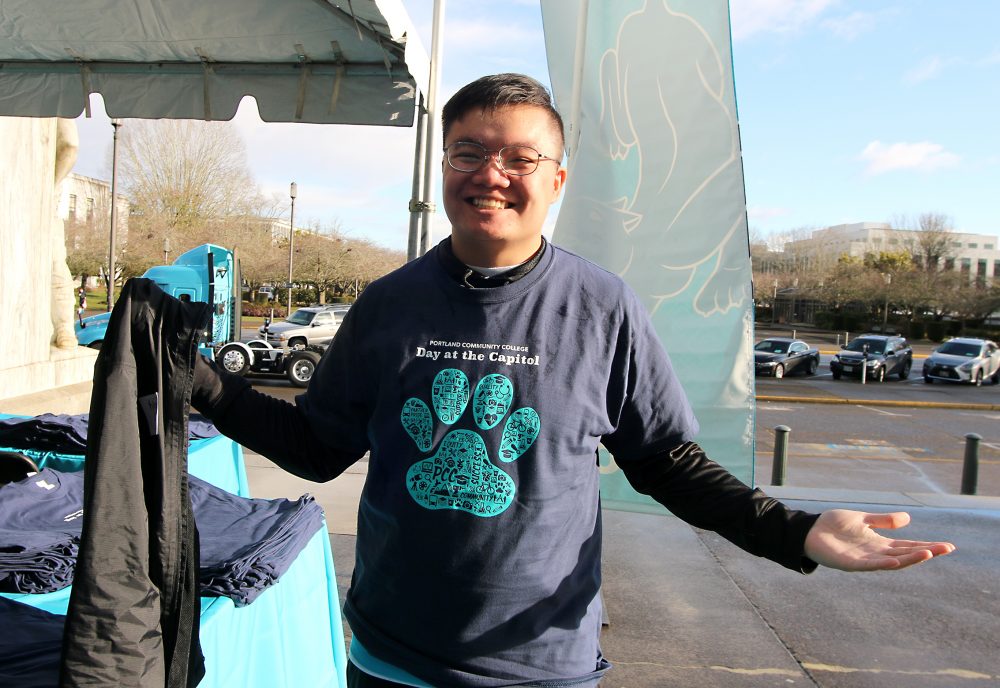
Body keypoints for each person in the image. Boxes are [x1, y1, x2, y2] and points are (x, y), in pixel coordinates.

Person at [191, 73, 954, 688]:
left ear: (556, 180)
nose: (491, 174)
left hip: (540, 663)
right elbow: (316, 448)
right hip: (393, 656)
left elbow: (665, 464)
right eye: (467, 152)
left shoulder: (603, 306)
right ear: (444, 169)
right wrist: (196, 380)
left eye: (519, 158)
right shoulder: (388, 305)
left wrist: (795, 531)